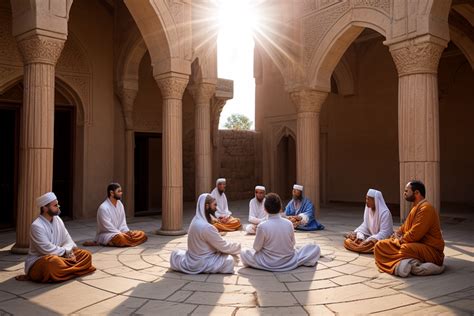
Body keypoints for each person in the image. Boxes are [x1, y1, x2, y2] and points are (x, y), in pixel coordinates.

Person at [16, 192, 95, 283]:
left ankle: (66, 272)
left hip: (61, 257)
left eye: (58, 204)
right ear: (45, 208)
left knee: (86, 255)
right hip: (40, 261)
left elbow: (67, 239)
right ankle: (74, 270)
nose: (58, 207)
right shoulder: (37, 226)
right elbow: (46, 249)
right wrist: (66, 252)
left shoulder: (58, 220)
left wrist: (69, 253)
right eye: (55, 205)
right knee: (53, 263)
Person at [374, 181, 445, 277]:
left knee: (404, 249)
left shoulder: (426, 209)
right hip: (416, 245)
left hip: (432, 251)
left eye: (406, 191)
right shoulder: (416, 207)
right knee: (379, 245)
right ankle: (405, 262)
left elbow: (415, 234)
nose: (404, 193)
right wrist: (397, 233)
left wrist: (399, 240)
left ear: (416, 193)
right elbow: (405, 227)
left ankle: (403, 265)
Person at [240, 193, 320, 271]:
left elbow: (256, 248)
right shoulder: (289, 223)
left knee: (244, 252)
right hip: (289, 261)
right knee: (314, 248)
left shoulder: (262, 226)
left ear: (265, 209)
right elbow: (293, 244)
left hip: (267, 262)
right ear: (280, 208)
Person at [170, 194, 241, 274]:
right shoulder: (207, 227)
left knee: (176, 254)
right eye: (214, 205)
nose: (216, 208)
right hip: (203, 262)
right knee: (229, 261)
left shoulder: (195, 220)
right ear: (207, 206)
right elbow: (223, 246)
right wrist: (238, 247)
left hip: (192, 258)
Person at [344, 189, 393, 253]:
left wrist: (370, 239)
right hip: (370, 236)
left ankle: (363, 247)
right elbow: (365, 225)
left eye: (368, 199)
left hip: (380, 239)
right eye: (366, 199)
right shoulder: (369, 210)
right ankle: (362, 247)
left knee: (377, 245)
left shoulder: (385, 213)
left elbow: (385, 232)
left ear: (375, 200)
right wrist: (358, 234)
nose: (366, 201)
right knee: (348, 241)